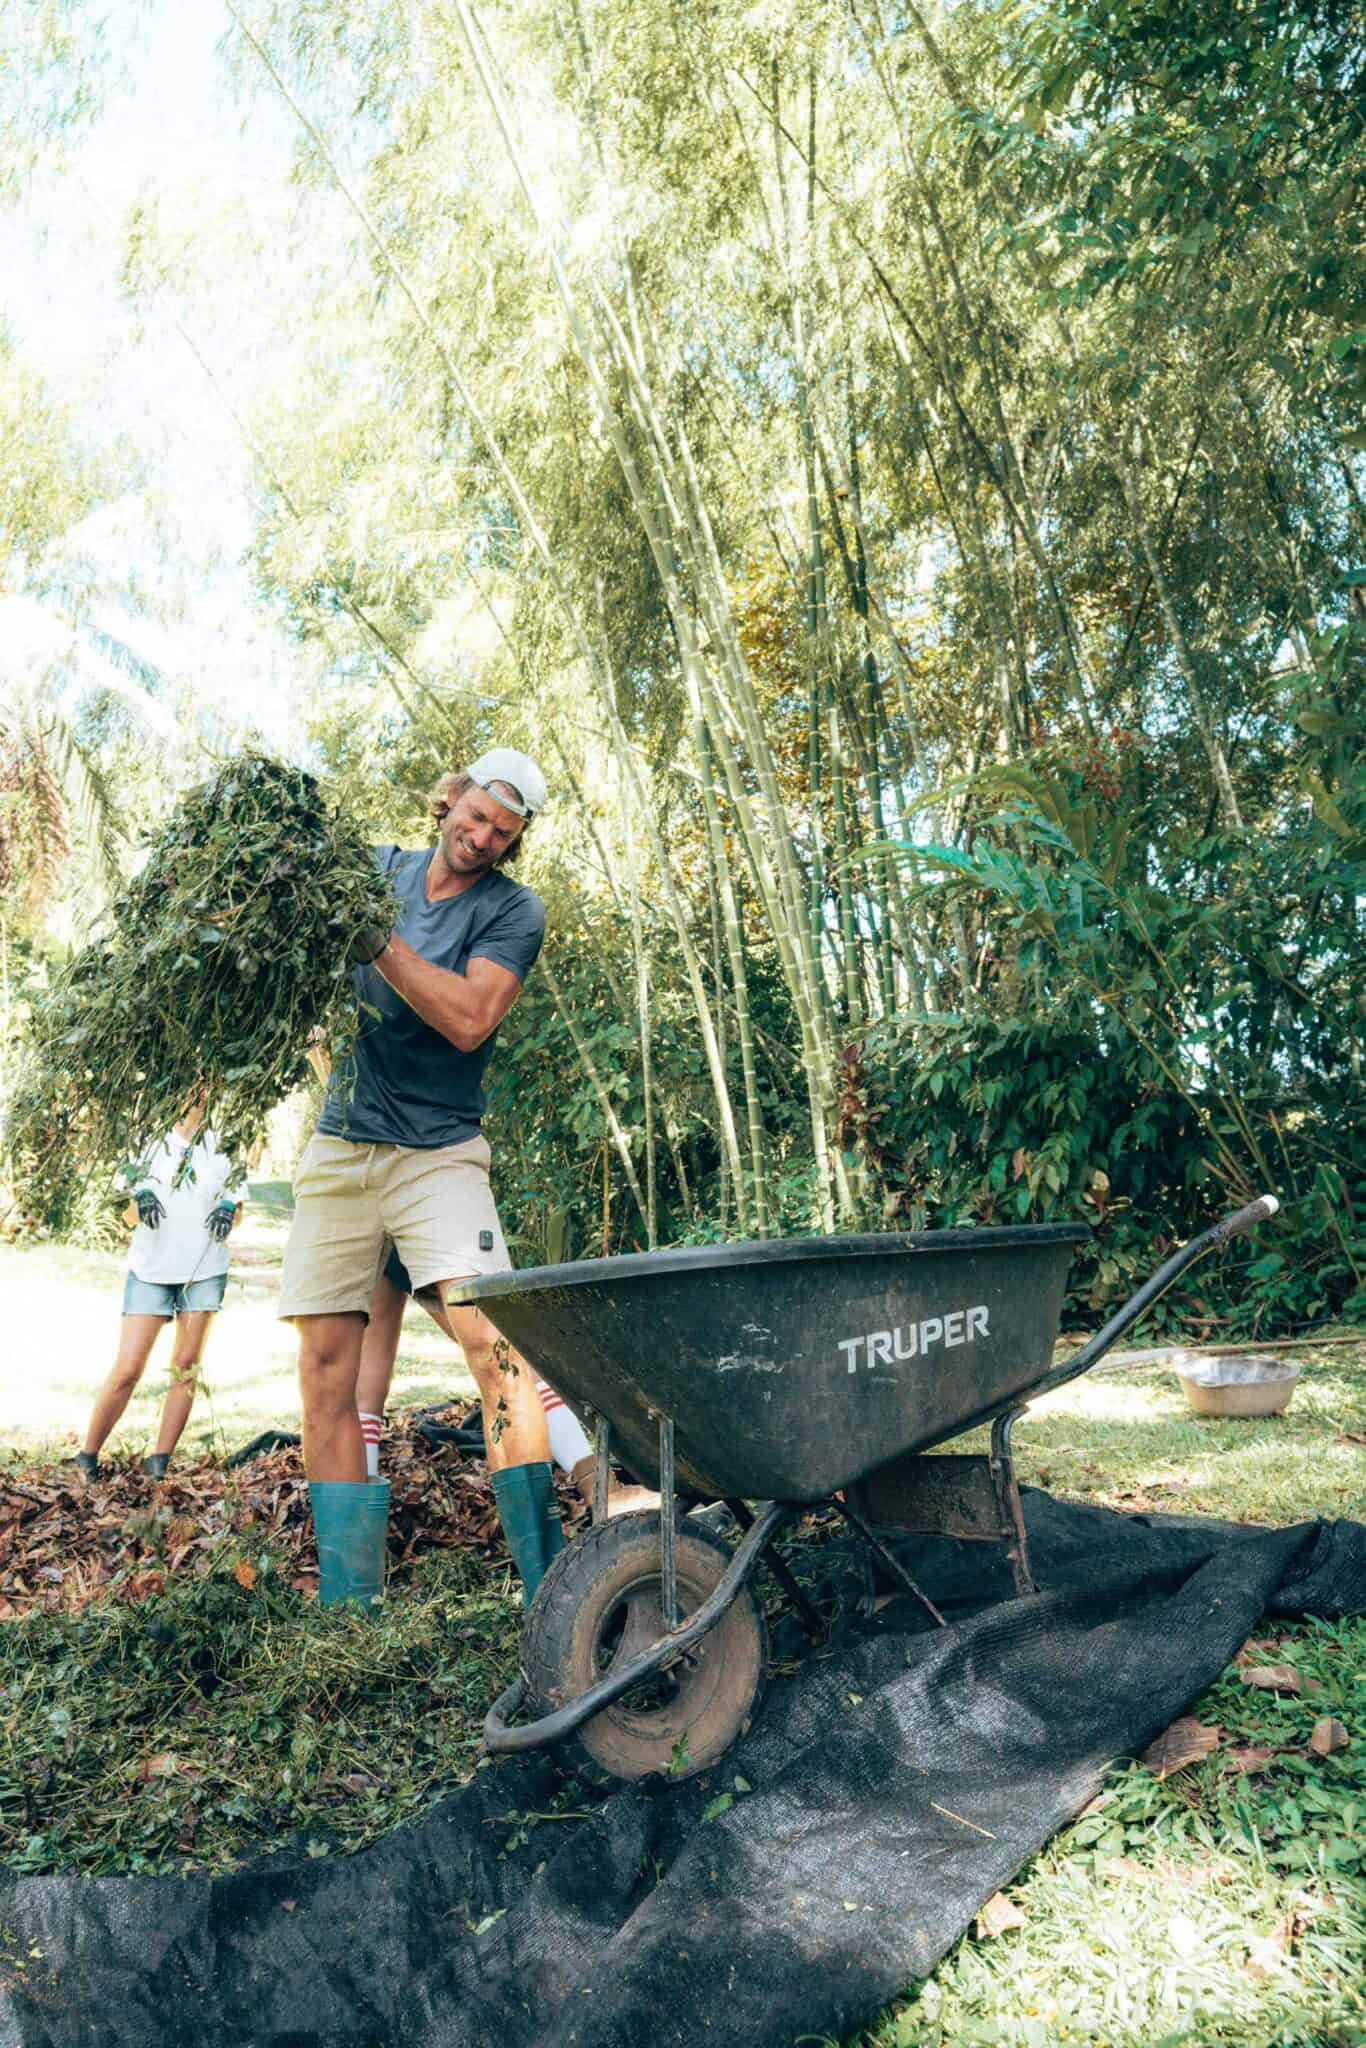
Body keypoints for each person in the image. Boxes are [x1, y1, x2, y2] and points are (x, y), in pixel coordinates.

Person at [279, 749, 565, 1609]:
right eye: (473, 817)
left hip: (438, 1154)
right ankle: (349, 1606)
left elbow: (471, 1018)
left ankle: (551, 1588)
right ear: (447, 800)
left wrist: (382, 945)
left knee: (495, 1350)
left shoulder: (515, 912)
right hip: (341, 1145)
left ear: (514, 844)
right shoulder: (371, 871)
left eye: (500, 833)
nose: (479, 838)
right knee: (326, 1363)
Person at [356, 1243, 657, 1515]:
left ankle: (359, 1527)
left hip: (363, 1204)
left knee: (365, 1374)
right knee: (507, 1352)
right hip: (411, 1202)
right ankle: (599, 1488)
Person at [77, 1098, 241, 1481]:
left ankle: (159, 1464)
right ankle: (86, 1456)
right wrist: (139, 1199)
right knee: (128, 1368)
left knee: (185, 1368)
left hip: (202, 1272)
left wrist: (229, 1210)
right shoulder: (148, 1143)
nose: (196, 1097)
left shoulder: (225, 1144)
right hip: (151, 1271)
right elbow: (126, 1213)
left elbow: (238, 1205)